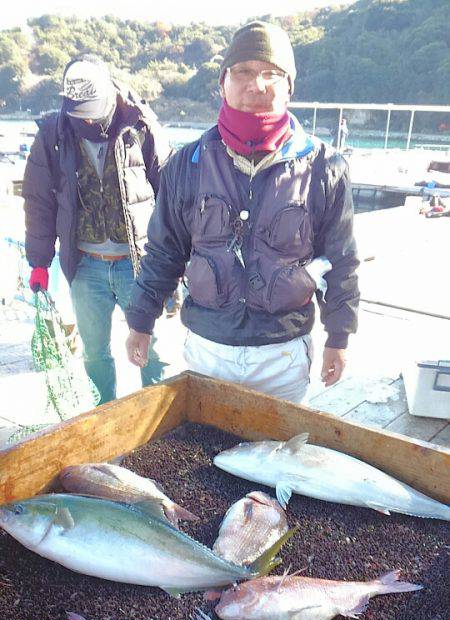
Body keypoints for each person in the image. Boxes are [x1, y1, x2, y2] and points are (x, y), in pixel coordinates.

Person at [125, 21, 359, 403]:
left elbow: (341, 261)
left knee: (278, 454)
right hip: (208, 350)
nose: (258, 84)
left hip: (283, 355)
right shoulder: (186, 164)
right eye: (244, 72)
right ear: (223, 83)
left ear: (289, 87)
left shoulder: (325, 167)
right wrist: (140, 319)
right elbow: (165, 251)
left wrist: (339, 336)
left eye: (272, 74)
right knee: (202, 454)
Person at [23, 54, 172, 405]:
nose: (88, 117)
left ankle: (162, 427)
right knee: (94, 355)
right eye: (80, 110)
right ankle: (104, 421)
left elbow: (171, 192)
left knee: (154, 352)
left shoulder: (141, 124)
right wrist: (40, 262)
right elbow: (38, 202)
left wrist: (179, 260)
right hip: (85, 265)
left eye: (94, 107)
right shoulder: (52, 134)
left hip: (140, 264)